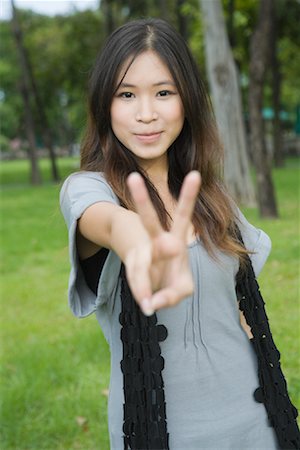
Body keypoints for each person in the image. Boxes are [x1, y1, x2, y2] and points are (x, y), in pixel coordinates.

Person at [60, 18, 299, 450]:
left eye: (164, 93)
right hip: (164, 433)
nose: (146, 112)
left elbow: (239, 314)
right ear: (104, 105)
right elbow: (114, 225)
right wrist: (140, 245)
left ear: (187, 101)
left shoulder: (209, 197)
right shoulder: (91, 190)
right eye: (126, 94)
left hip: (257, 422)